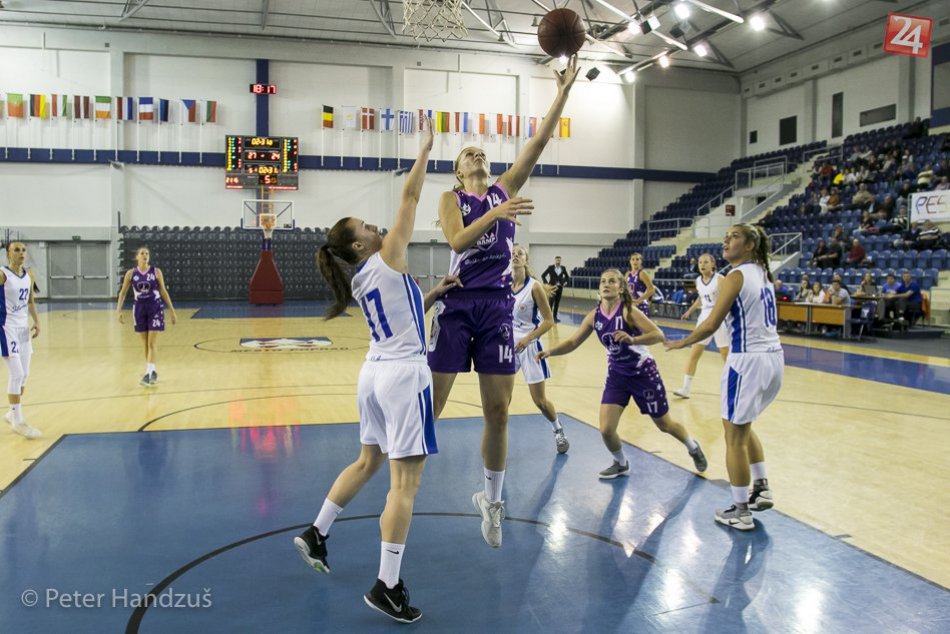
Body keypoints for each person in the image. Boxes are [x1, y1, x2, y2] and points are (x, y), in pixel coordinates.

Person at [295, 119, 452, 624]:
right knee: (404, 485)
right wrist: (425, 149)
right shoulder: (387, 254)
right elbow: (409, 196)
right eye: (365, 226)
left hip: (374, 372)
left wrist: (431, 296)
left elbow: (400, 316)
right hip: (404, 376)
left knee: (368, 463)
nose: (374, 225)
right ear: (360, 246)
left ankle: (317, 531)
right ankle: (387, 585)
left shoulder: (364, 276)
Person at [428, 58, 579, 549]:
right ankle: (395, 475)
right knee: (434, 406)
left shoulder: (503, 188)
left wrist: (562, 94)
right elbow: (456, 243)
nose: (477, 155)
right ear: (458, 171)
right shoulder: (454, 200)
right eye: (468, 153)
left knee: (499, 410)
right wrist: (496, 210)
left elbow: (537, 143)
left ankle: (491, 502)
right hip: (457, 304)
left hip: (495, 308)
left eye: (482, 152)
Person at [665, 224, 783, 531]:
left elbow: (711, 324)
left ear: (750, 245)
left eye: (734, 237)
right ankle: (761, 486)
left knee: (733, 436)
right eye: (725, 237)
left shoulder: (736, 275)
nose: (726, 241)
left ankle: (741, 510)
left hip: (746, 360)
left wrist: (680, 342)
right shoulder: (763, 274)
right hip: (774, 358)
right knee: (743, 427)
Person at [538, 268, 707, 479]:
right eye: (603, 281)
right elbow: (573, 341)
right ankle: (621, 463)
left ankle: (692, 446)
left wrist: (633, 339)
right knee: (606, 429)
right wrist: (550, 351)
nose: (606, 284)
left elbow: (658, 334)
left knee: (664, 424)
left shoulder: (628, 311)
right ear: (599, 288)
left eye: (612, 281)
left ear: (620, 288)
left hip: (643, 373)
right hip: (617, 375)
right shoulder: (594, 316)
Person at [511, 245, 568, 453]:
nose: (516, 255)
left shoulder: (534, 287)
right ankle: (499, 442)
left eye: (520, 253)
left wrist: (528, 338)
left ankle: (558, 429)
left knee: (540, 401)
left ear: (526, 260)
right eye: (513, 253)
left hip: (530, 346)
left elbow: (548, 321)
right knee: (502, 400)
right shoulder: (503, 285)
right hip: (509, 347)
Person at [116, 246, 177, 387]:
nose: (145, 255)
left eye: (147, 253)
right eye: (142, 253)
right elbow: (123, 293)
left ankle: (148, 374)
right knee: (144, 344)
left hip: (155, 307)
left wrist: (172, 310)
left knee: (151, 343)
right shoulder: (131, 273)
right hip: (139, 308)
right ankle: (152, 370)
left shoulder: (156, 272)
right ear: (137, 257)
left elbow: (163, 291)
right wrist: (118, 310)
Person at [672, 254, 729, 399]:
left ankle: (733, 387)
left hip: (719, 316)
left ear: (713, 264)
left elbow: (726, 298)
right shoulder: (698, 280)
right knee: (694, 353)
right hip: (704, 315)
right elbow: (700, 298)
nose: (702, 265)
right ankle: (685, 388)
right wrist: (690, 310)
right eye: (700, 262)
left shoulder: (720, 279)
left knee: (726, 355)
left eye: (705, 262)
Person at [1, 242, 42, 439]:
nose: (21, 253)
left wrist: (37, 322)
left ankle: (11, 412)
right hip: (6, 327)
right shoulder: (2, 274)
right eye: (16, 249)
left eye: (23, 250)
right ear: (8, 253)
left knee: (24, 375)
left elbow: (30, 301)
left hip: (23, 328)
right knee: (16, 374)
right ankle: (18, 422)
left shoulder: (29, 275)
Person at [541, 255, 570, 323]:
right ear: (555, 260)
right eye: (557, 260)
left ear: (560, 260)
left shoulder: (563, 268)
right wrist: (547, 284)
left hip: (560, 287)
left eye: (559, 260)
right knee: (551, 303)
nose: (558, 261)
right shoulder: (550, 267)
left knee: (557, 303)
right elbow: (543, 275)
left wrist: (565, 282)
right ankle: (549, 317)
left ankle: (555, 317)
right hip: (552, 288)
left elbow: (567, 277)